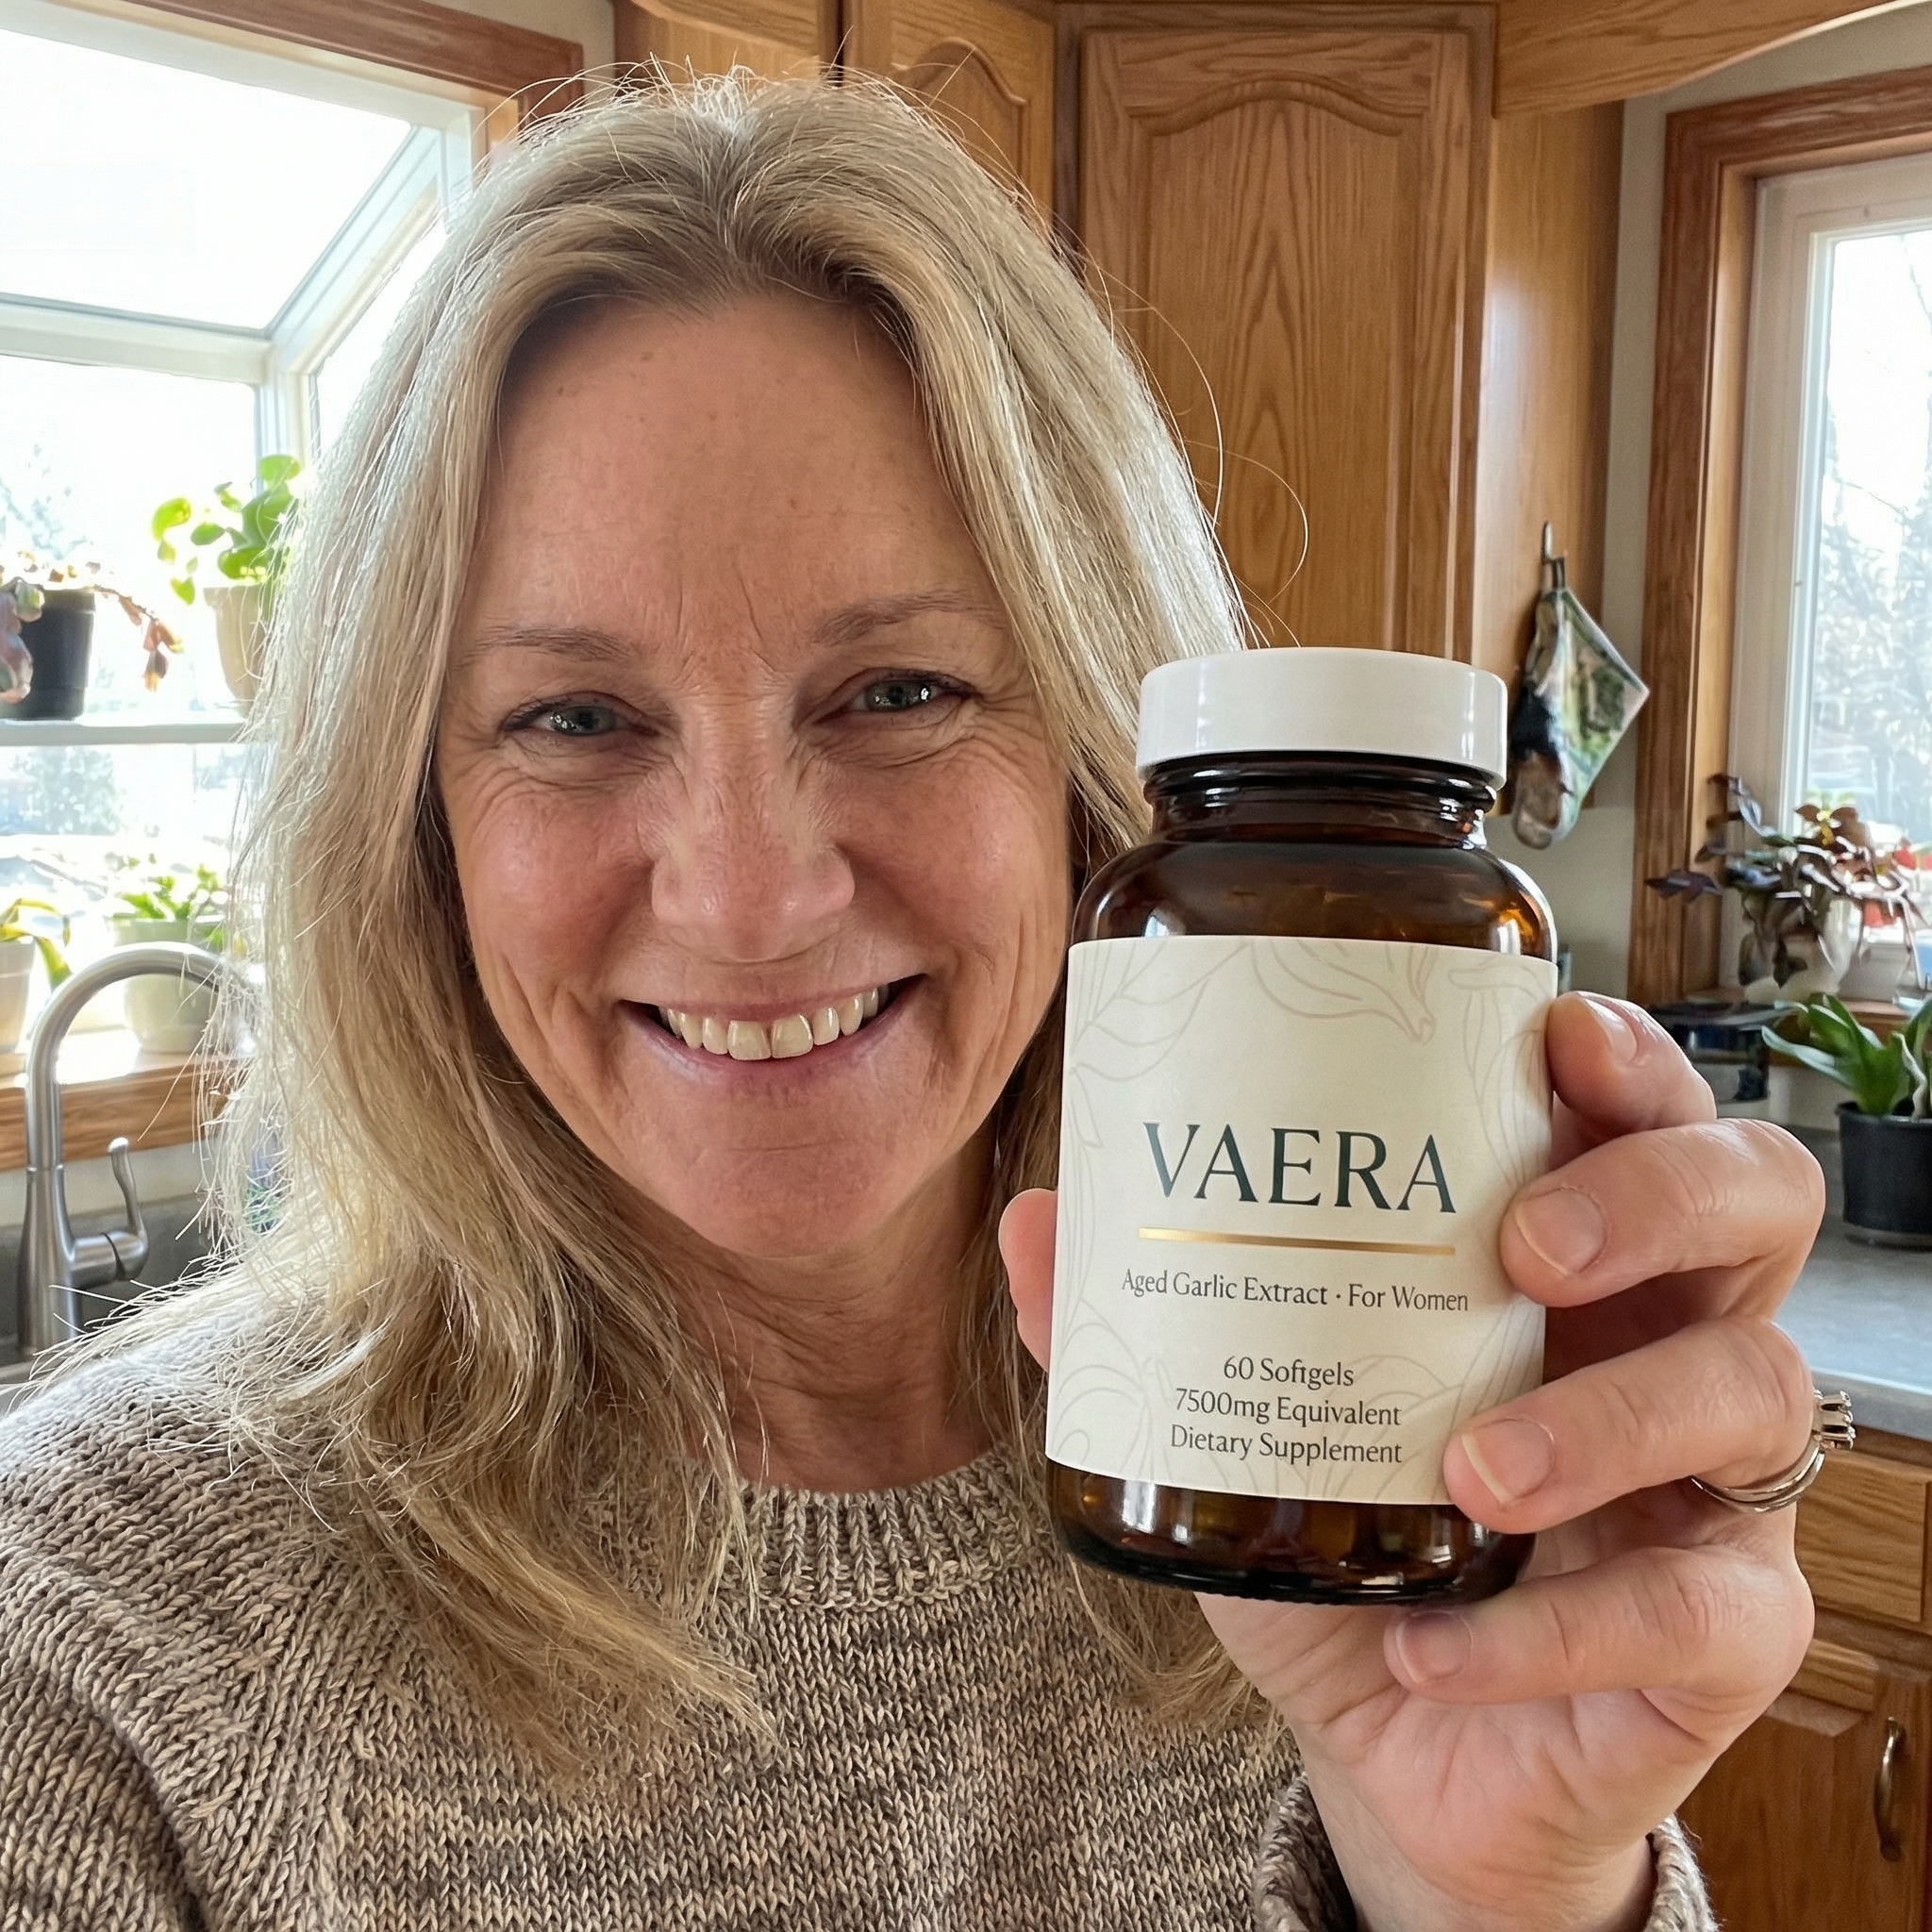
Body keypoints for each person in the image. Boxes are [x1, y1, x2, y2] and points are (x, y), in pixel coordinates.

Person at [0, 76, 1824, 1930]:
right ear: (413, 830)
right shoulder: (89, 1622)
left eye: (896, 691)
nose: (752, 893)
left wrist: (1510, 1895)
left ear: (1104, 775)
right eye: (571, 719)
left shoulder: (1360, 1468)